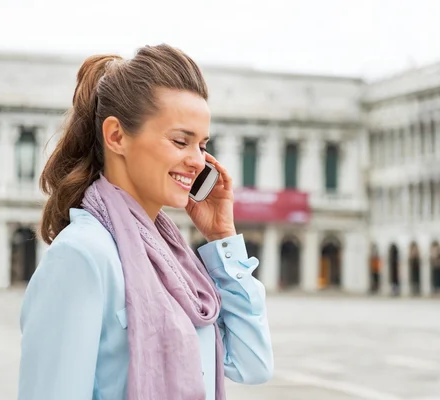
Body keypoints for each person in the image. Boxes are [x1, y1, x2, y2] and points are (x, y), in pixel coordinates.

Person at [17, 44, 273, 400]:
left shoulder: (177, 263)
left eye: (202, 145)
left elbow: (252, 364)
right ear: (117, 136)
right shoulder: (82, 256)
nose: (198, 161)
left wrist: (223, 237)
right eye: (181, 141)